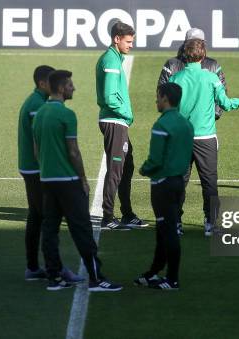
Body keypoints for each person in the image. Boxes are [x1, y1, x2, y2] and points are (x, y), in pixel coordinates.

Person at [33, 70, 122, 291]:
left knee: (50, 229)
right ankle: (96, 279)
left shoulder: (40, 113)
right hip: (68, 181)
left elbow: (36, 150)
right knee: (82, 230)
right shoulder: (67, 115)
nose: (74, 88)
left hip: (47, 180)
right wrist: (82, 179)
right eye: (70, 85)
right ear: (62, 88)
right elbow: (73, 151)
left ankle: (54, 278)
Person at [169, 39, 239, 236]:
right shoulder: (211, 77)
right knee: (209, 182)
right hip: (205, 139)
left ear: (185, 55)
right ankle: (211, 224)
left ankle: (175, 224)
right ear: (203, 55)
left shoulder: (175, 79)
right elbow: (225, 103)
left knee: (179, 182)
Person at [17, 65, 82, 282]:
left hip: (31, 167)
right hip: (37, 169)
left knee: (36, 217)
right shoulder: (37, 105)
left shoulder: (35, 101)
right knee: (48, 220)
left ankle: (33, 267)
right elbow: (42, 140)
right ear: (42, 83)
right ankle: (56, 269)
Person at [135, 83, 194, 290]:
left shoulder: (162, 125)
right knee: (163, 228)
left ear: (166, 98)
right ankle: (153, 273)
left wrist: (143, 169)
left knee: (168, 230)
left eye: (158, 97)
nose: (156, 100)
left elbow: (155, 160)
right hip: (178, 182)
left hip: (163, 184)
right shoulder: (186, 124)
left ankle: (172, 279)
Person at [95, 21, 148, 230]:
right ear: (116, 39)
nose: (131, 45)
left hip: (118, 122)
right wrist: (127, 113)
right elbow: (109, 97)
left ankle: (127, 214)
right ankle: (108, 217)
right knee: (117, 169)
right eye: (128, 41)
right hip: (114, 121)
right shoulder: (110, 60)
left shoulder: (114, 59)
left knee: (127, 166)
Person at [157, 28, 228, 121]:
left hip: (203, 124)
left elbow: (222, 92)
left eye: (199, 43)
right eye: (192, 43)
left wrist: (215, 114)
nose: (196, 46)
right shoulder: (172, 64)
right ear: (185, 45)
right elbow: (162, 91)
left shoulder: (213, 65)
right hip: (179, 122)